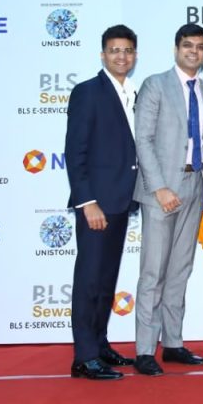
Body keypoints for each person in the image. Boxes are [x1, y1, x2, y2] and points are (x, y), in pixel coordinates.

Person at [132, 24, 203, 376]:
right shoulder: (155, 85)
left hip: (195, 185)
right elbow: (143, 139)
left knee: (180, 269)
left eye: (200, 47)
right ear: (176, 49)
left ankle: (172, 343)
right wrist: (159, 187)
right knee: (153, 271)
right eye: (187, 45)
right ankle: (144, 350)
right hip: (161, 190)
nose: (193, 52)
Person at [65, 24, 140, 380]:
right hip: (97, 203)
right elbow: (75, 151)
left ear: (134, 55)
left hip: (122, 201)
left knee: (107, 278)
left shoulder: (134, 93)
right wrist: (87, 201)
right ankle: (84, 357)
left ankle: (99, 343)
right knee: (89, 279)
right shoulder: (88, 92)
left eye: (127, 51)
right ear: (103, 54)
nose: (121, 56)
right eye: (114, 50)